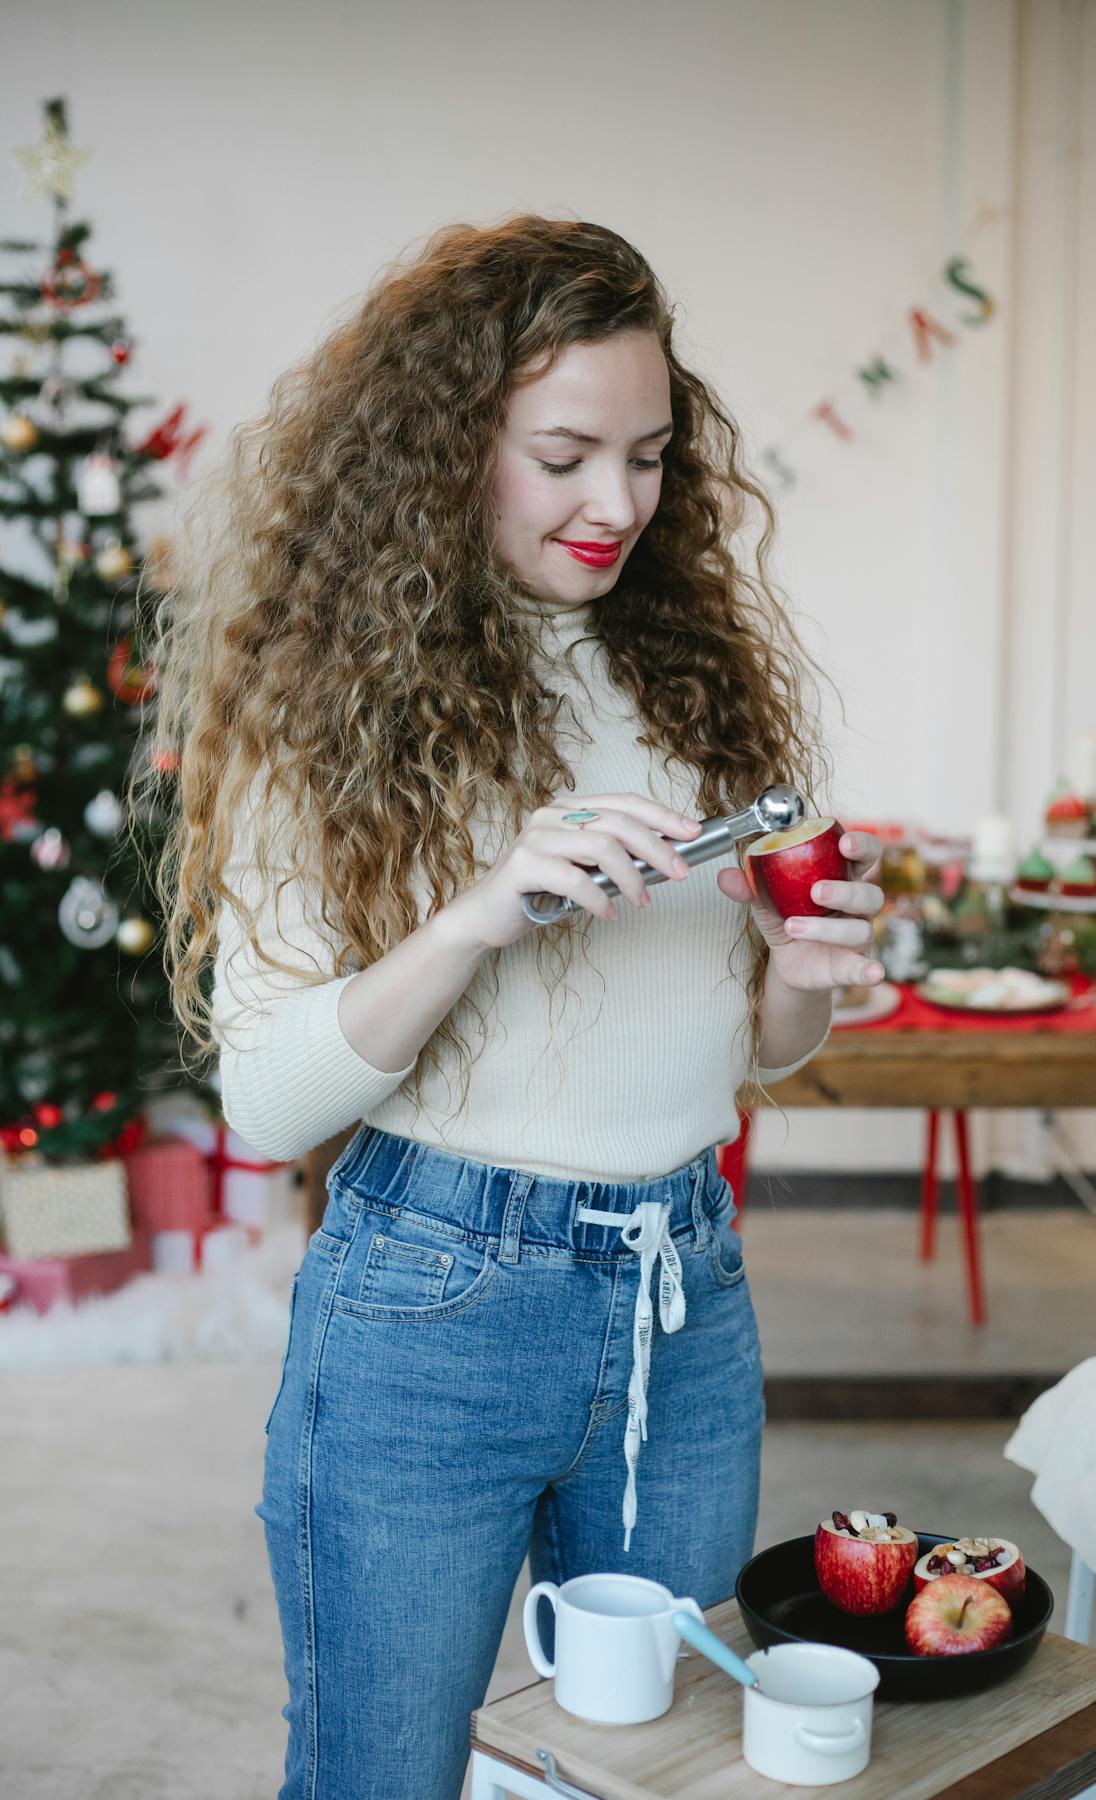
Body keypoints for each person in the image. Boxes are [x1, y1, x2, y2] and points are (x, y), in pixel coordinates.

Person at [137, 214, 884, 1800]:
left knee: (652, 1768)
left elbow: (742, 1052)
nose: (618, 504)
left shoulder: (698, 680)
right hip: (429, 1307)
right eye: (563, 455)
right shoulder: (317, 710)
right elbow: (270, 1106)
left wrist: (803, 985)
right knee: (380, 1775)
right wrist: (479, 915)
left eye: (653, 455)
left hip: (684, 1301)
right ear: (447, 446)